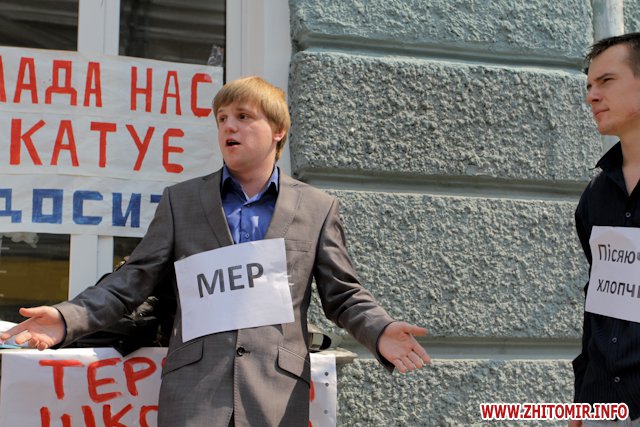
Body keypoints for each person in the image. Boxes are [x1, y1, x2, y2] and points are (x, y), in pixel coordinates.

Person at [1, 76, 430, 427]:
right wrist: (66, 318)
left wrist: (380, 330)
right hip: (194, 394)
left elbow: (344, 295)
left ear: (278, 130)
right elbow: (130, 282)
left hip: (276, 393)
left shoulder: (317, 208)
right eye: (222, 118)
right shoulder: (181, 201)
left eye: (243, 117)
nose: (229, 127)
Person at [570, 33, 640, 427]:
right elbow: (600, 300)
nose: (591, 96)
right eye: (589, 86)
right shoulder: (596, 196)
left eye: (607, 81)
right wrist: (582, 398)